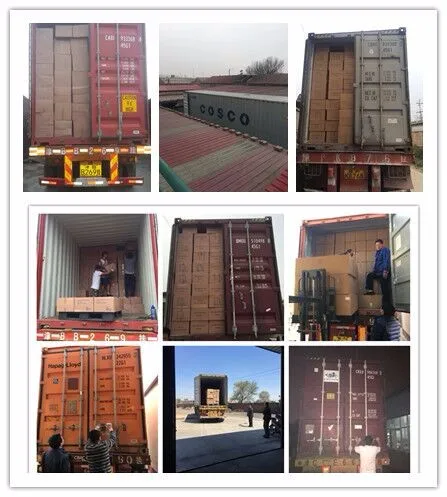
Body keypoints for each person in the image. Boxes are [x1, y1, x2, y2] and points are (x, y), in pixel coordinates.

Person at [364, 239, 392, 303]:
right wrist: (374, 271)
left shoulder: (385, 250)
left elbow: (386, 260)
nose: (377, 246)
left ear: (382, 244)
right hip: (378, 272)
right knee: (369, 275)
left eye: (379, 245)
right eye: (376, 245)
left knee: (384, 288)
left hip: (384, 272)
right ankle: (370, 291)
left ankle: (387, 305)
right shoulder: (377, 253)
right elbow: (376, 264)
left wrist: (385, 270)